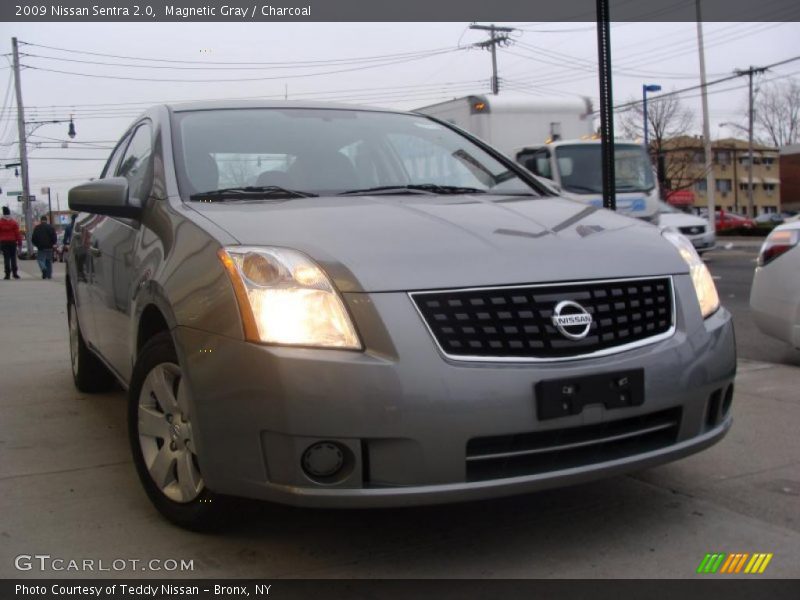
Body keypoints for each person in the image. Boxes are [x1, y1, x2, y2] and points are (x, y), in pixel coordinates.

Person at [32, 215, 57, 279]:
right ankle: (49, 275)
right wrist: (53, 244)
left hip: (41, 247)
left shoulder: (37, 228)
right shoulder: (51, 227)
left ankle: (44, 269)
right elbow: (54, 237)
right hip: (49, 247)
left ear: (41, 220)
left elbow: (33, 238)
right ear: (46, 220)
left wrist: (37, 245)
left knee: (40, 260)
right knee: (48, 261)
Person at [0, 206, 22, 280]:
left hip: (3, 242)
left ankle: (7, 274)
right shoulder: (14, 222)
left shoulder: (0, 222)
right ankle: (15, 273)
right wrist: (20, 243)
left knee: (6, 258)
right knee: (13, 258)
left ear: (3, 214)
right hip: (12, 242)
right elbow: (17, 234)